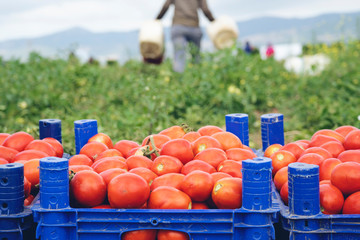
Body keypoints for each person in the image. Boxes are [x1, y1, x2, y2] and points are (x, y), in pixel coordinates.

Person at [156, 0, 215, 73]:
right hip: (194, 27)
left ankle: (178, 80)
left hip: (178, 27)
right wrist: (213, 21)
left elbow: (166, 6)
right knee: (196, 57)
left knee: (179, 57)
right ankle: (196, 78)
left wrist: (157, 19)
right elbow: (205, 9)